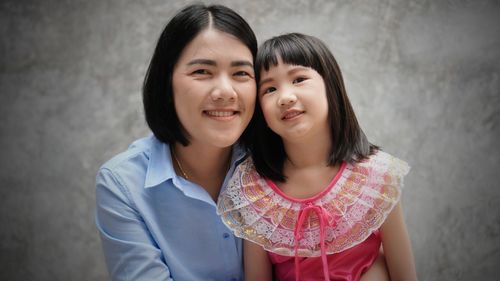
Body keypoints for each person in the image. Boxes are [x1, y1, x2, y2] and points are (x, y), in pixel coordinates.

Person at [217, 33, 417, 281]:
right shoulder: (254, 190)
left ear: (330, 85)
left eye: (299, 79)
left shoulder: (377, 175)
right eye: (269, 89)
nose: (286, 97)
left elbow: (404, 275)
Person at [95, 4, 257, 281]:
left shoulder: (278, 164)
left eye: (241, 73)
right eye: (202, 72)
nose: (225, 92)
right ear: (166, 84)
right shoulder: (122, 183)